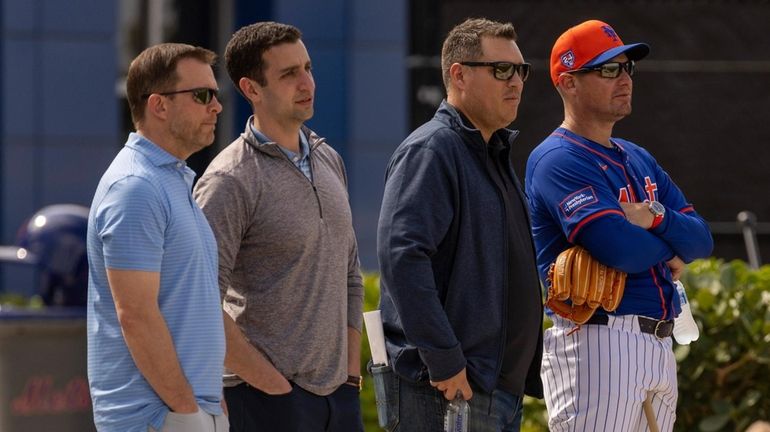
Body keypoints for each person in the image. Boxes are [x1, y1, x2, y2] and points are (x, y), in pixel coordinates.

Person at [525, 19, 714, 431]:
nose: (624, 78)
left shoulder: (637, 156)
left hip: (659, 342)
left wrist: (654, 218)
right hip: (598, 340)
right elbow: (622, 251)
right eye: (608, 69)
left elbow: (701, 239)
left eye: (627, 67)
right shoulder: (558, 160)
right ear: (568, 82)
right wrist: (671, 247)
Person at [192, 22, 364, 431]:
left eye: (307, 68)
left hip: (338, 398)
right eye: (289, 74)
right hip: (265, 401)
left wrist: (350, 377)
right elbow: (198, 302)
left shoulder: (329, 160)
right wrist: (271, 385)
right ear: (251, 89)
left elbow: (351, 275)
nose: (307, 83)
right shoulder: (228, 180)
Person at [377, 18, 543, 431]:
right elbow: (402, 256)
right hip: (447, 389)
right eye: (501, 70)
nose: (516, 82)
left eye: (520, 70)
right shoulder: (433, 149)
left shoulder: (493, 152)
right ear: (459, 74)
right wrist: (445, 359)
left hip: (494, 389)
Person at [86, 43, 226, 432]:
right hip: (156, 418)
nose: (216, 107)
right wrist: (188, 413)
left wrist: (212, 407)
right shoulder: (136, 187)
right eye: (202, 95)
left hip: (184, 413)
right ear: (158, 106)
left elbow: (192, 307)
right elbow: (136, 315)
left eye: (216, 95)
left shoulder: (170, 181)